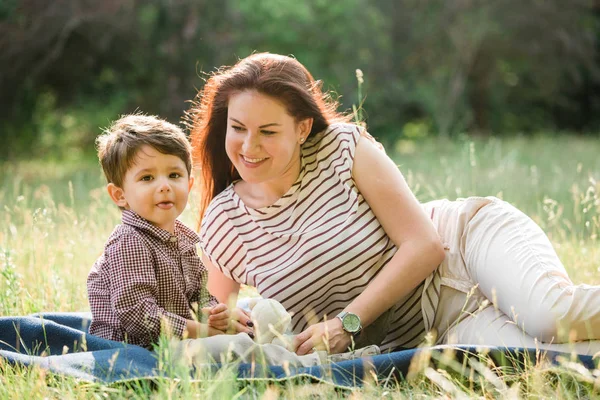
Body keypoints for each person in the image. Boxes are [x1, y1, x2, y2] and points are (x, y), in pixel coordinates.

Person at [188, 52, 600, 357]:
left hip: (468, 249)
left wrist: (347, 324)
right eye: (238, 128)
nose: (248, 146)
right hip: (434, 331)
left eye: (268, 131)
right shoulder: (225, 222)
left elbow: (425, 245)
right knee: (554, 361)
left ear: (302, 128)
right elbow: (213, 324)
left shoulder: (342, 148)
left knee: (552, 316)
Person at [87, 113, 353, 367]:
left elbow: (201, 296)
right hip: (143, 351)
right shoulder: (130, 241)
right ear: (120, 195)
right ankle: (316, 363)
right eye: (147, 178)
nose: (164, 186)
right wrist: (205, 332)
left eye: (174, 175)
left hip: (184, 340)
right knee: (231, 348)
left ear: (189, 185)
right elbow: (138, 316)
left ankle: (284, 350)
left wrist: (219, 315)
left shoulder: (181, 239)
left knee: (266, 309)